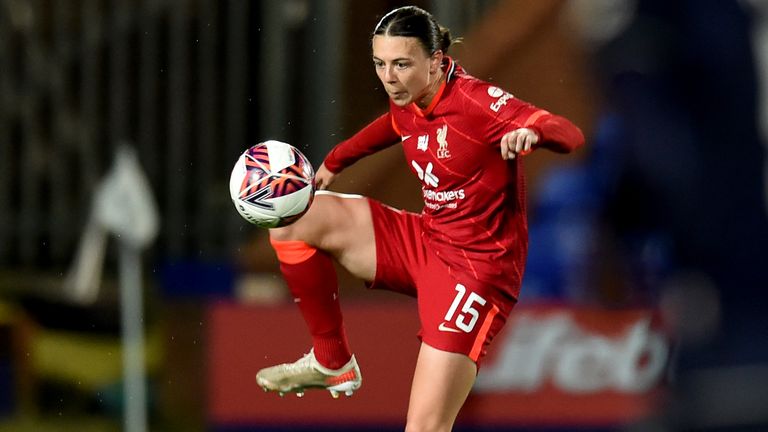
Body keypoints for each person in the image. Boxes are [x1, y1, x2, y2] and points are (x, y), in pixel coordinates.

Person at [256, 5, 584, 431]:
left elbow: (568, 132)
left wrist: (533, 132)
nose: (389, 77)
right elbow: (393, 126)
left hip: (476, 274)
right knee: (294, 220)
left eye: (401, 64)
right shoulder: (412, 96)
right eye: (380, 64)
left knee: (425, 428)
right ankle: (331, 360)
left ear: (436, 61)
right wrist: (336, 161)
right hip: (427, 239)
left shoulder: (476, 103)